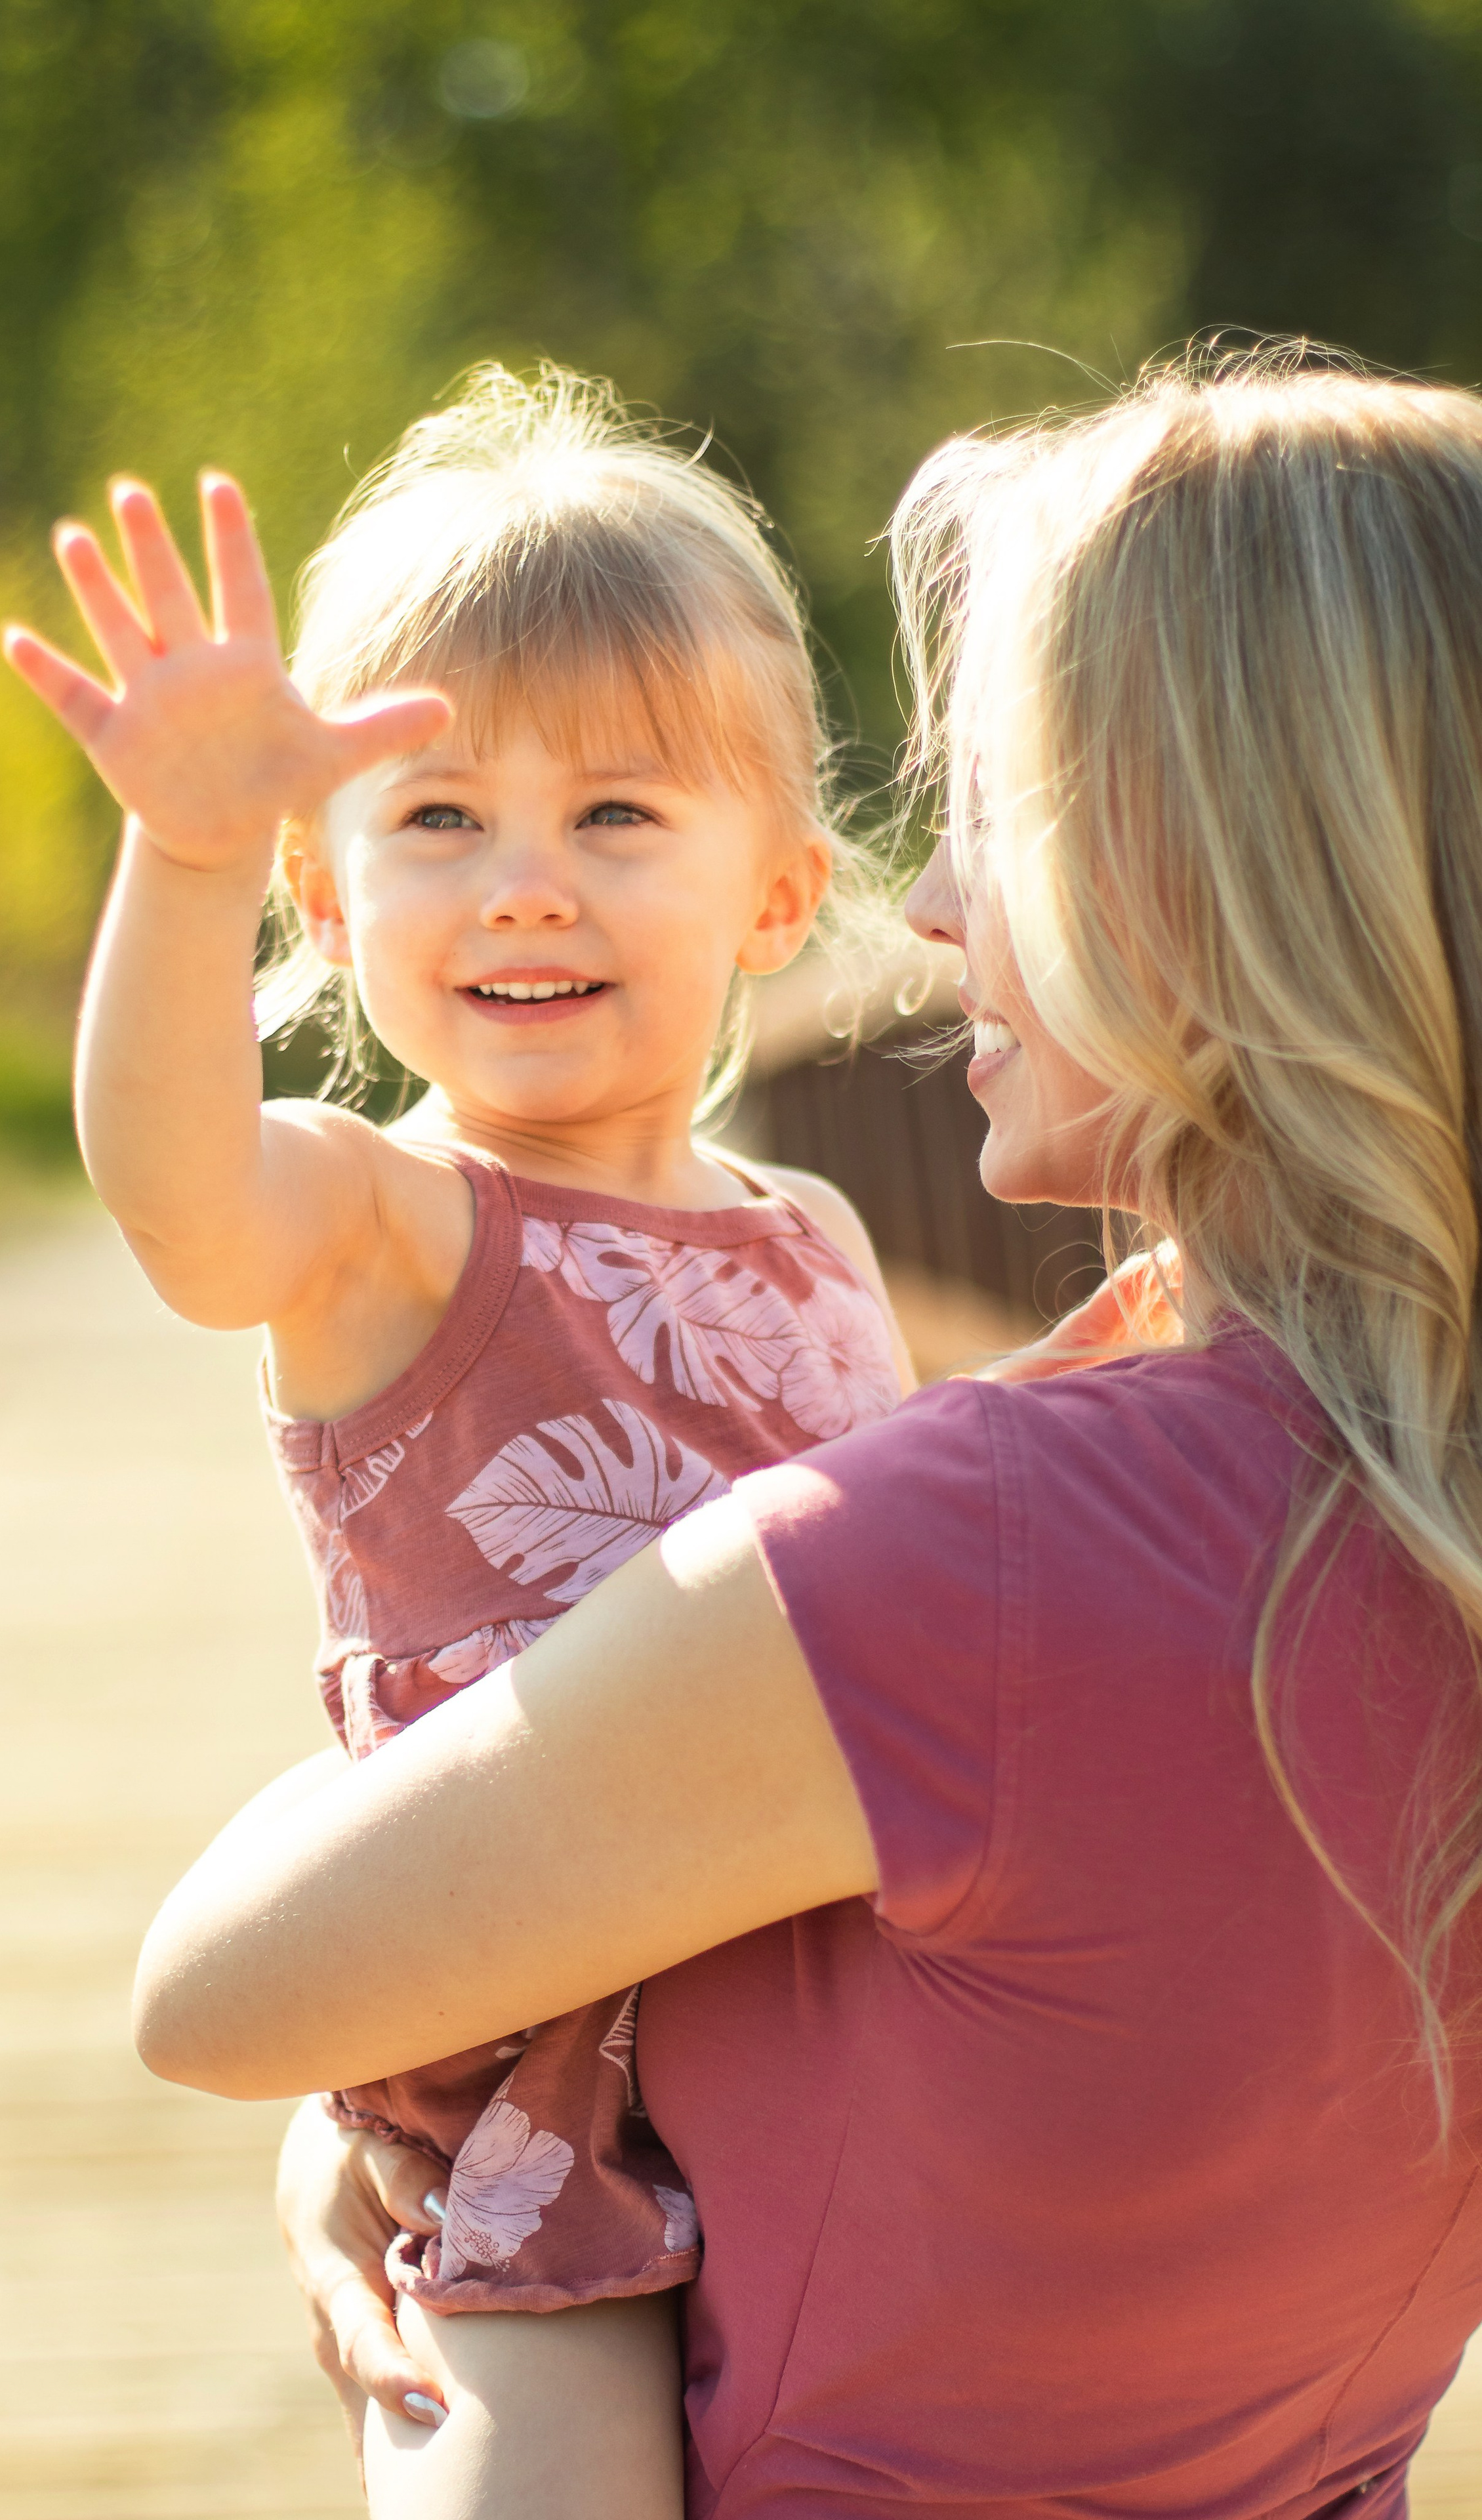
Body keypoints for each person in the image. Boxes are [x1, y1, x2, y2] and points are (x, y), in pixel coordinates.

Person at [128, 350, 1482, 2520]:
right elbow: (194, 1197)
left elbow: (215, 1997)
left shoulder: (971, 1542)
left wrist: (432, 1930)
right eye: (443, 817)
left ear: (1230, 869)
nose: (929, 917)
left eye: (1004, 815)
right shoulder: (1369, 1489)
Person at [1, 366, 915, 2520]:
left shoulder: (822, 1228)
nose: (523, 885)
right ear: (327, 911)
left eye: (616, 817)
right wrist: (185, 851)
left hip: (844, 2018)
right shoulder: (384, 1219)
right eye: (437, 820)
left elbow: (911, 1561)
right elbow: (175, 1190)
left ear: (777, 899)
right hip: (538, 2096)